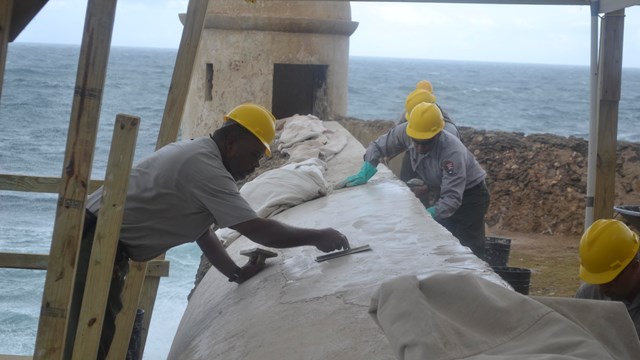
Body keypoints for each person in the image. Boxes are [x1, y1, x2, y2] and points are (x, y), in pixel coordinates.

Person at [66, 103, 351, 359]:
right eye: (253, 154)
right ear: (230, 141)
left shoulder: (199, 152)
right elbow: (257, 229)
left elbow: (202, 231)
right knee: (86, 343)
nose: (254, 166)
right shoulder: (206, 167)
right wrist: (317, 236)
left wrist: (235, 273)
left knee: (94, 337)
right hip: (96, 241)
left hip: (97, 237)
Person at [339, 102, 489, 258]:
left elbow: (451, 199)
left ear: (438, 134)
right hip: (442, 191)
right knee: (441, 242)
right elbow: (377, 147)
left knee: (469, 248)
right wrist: (367, 169)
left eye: (426, 143)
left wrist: (425, 213)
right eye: (416, 141)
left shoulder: (452, 152)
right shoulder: (405, 131)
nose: (419, 148)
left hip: (471, 195)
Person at [398, 81, 461, 209]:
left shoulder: (445, 128)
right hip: (414, 155)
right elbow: (397, 133)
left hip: (436, 160)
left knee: (431, 191)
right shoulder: (411, 113)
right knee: (407, 187)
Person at [575, 219, 640, 337]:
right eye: (597, 279)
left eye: (610, 280)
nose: (602, 288)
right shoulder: (588, 297)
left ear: (635, 267)